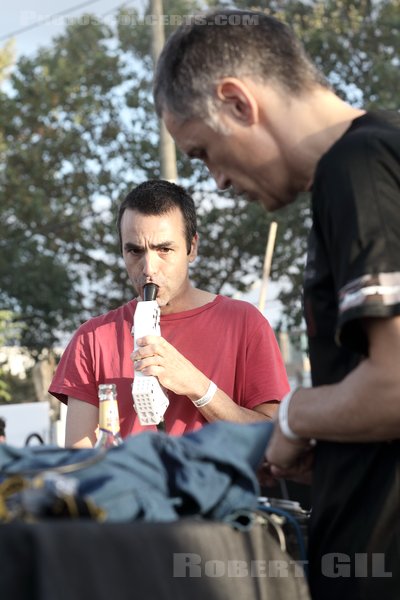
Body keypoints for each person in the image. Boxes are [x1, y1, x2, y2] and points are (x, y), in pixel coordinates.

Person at [153, 9, 400, 600]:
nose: (216, 181)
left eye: (204, 152)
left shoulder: (358, 167)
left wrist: (293, 418)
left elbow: (395, 384)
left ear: (238, 102)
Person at [49, 179, 289, 448]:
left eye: (164, 249)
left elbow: (276, 439)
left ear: (192, 248)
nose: (149, 268)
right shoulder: (90, 339)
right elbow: (79, 458)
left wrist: (198, 387)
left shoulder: (245, 323)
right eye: (135, 251)